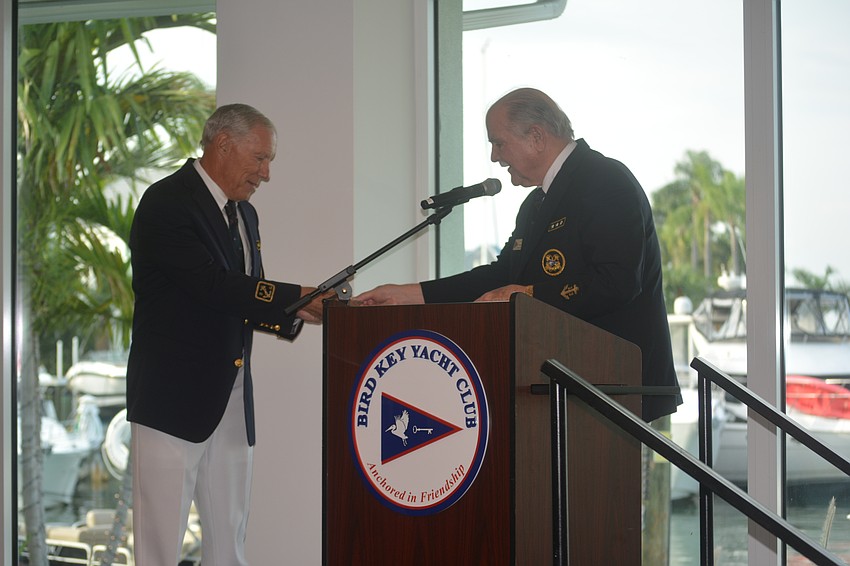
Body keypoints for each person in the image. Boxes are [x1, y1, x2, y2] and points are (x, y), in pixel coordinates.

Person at [354, 87, 680, 422]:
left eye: (498, 142)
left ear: (537, 137)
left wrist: (526, 295)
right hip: (560, 386)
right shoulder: (536, 203)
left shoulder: (606, 180)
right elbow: (503, 276)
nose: (495, 156)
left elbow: (618, 282)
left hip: (614, 386)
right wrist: (408, 295)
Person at [126, 103, 327, 565]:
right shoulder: (167, 202)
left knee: (230, 540)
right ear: (223, 145)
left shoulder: (245, 215)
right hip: (170, 403)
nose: (267, 173)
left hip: (232, 399)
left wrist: (303, 308)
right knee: (158, 547)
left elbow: (243, 298)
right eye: (260, 158)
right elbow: (211, 285)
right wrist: (298, 293)